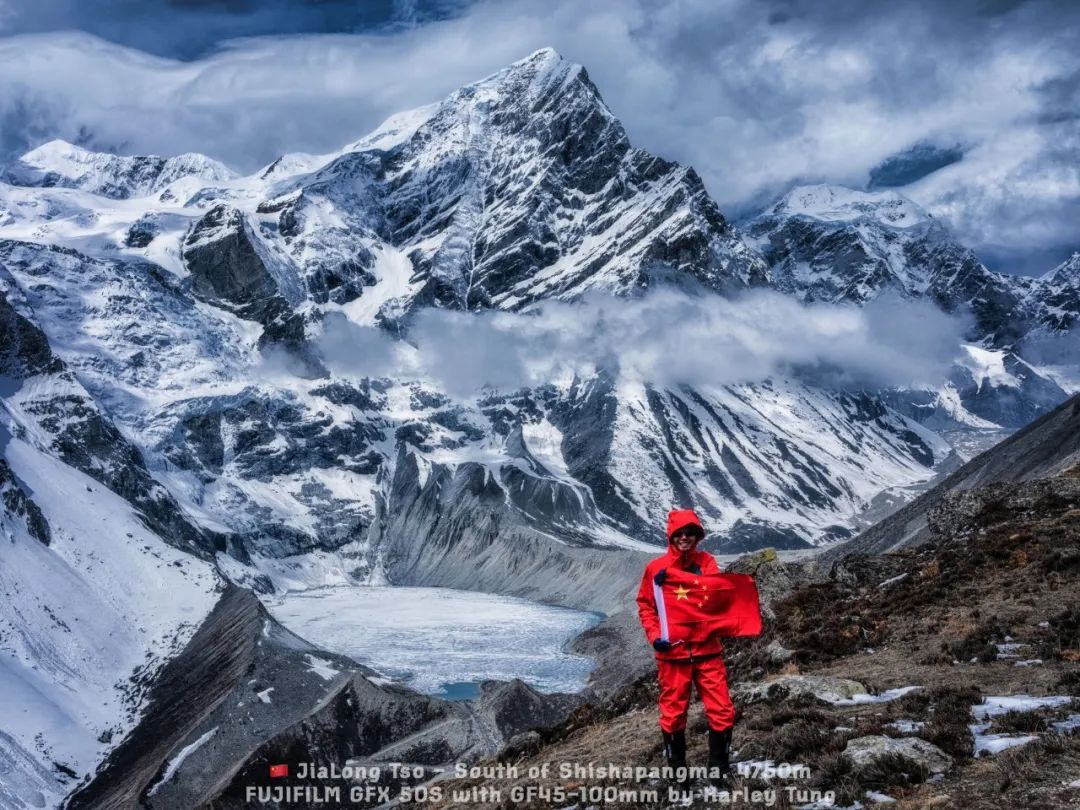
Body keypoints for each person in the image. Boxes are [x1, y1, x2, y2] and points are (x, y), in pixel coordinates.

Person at [636, 508, 734, 790]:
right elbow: (645, 605)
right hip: (673, 655)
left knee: (722, 709)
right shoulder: (655, 568)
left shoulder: (707, 563)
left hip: (707, 651)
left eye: (690, 532)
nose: (685, 537)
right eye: (679, 532)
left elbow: (715, 596)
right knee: (673, 714)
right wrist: (656, 636)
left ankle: (719, 771)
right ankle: (679, 775)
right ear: (671, 535)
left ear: (698, 536)